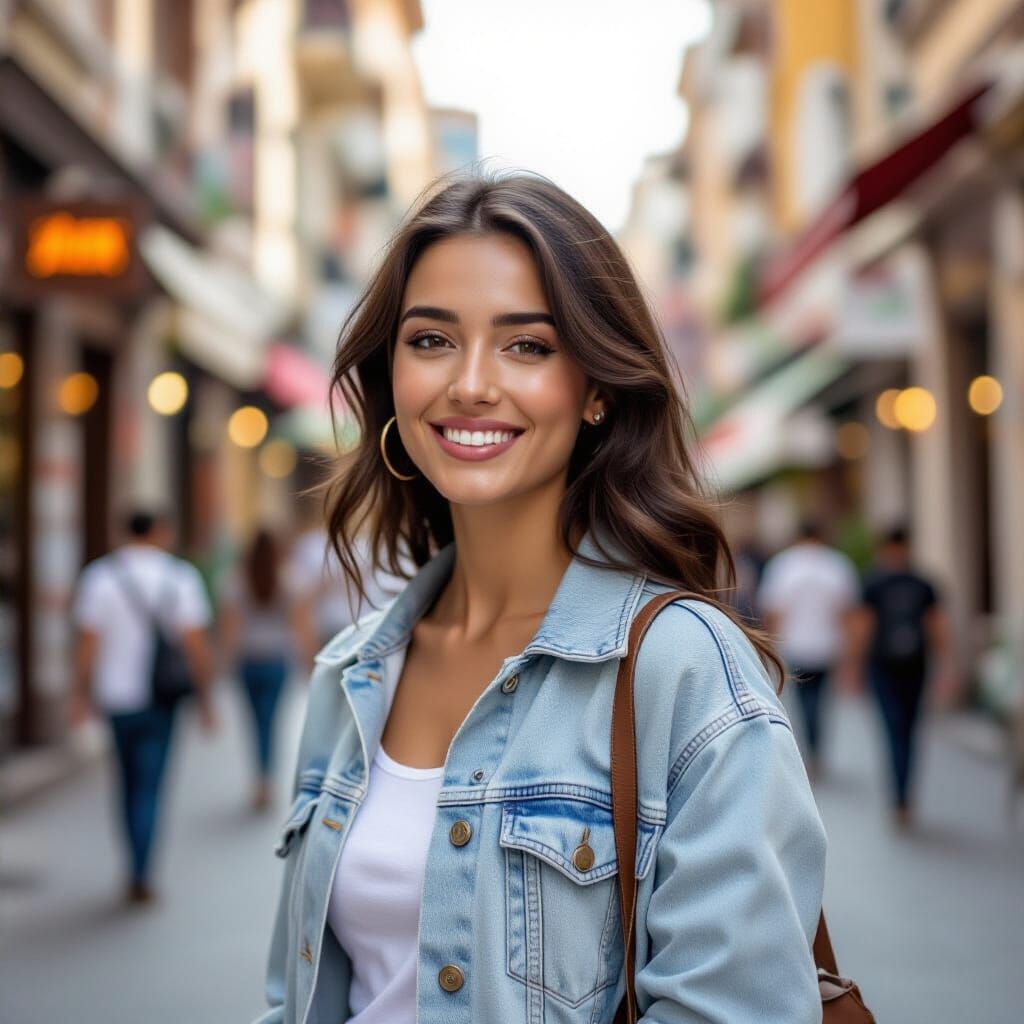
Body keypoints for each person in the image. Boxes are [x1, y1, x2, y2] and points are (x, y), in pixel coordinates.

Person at [255, 173, 826, 1024]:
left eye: (527, 346)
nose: (472, 384)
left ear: (596, 388)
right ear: (393, 378)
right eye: (431, 340)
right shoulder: (350, 673)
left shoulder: (686, 672)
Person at [71, 510, 215, 903]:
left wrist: (80, 695)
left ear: (124, 532)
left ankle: (132, 865)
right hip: (161, 698)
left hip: (116, 698)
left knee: (127, 782)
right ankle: (142, 871)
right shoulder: (179, 576)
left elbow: (87, 643)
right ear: (160, 531)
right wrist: (206, 700)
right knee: (151, 785)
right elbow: (195, 644)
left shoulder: (99, 577)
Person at [853, 525, 953, 829]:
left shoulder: (873, 582)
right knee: (909, 732)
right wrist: (946, 668)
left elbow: (863, 627)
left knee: (893, 729)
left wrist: (854, 666)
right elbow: (938, 629)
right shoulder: (924, 583)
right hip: (915, 666)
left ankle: (899, 799)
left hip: (883, 667)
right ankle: (904, 797)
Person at [757, 521, 861, 780]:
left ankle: (809, 750)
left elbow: (773, 611)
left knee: (804, 702)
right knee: (821, 701)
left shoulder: (784, 565)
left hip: (795, 645)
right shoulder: (837, 565)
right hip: (827, 645)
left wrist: (770, 646)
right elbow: (847, 612)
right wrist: (851, 653)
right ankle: (816, 751)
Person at [219, 528, 297, 811]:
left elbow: (230, 629)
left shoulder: (236, 582)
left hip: (248, 661)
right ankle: (268, 781)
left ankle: (260, 780)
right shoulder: (289, 579)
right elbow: (299, 625)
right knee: (272, 722)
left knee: (254, 723)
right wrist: (309, 662)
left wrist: (225, 663)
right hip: (277, 660)